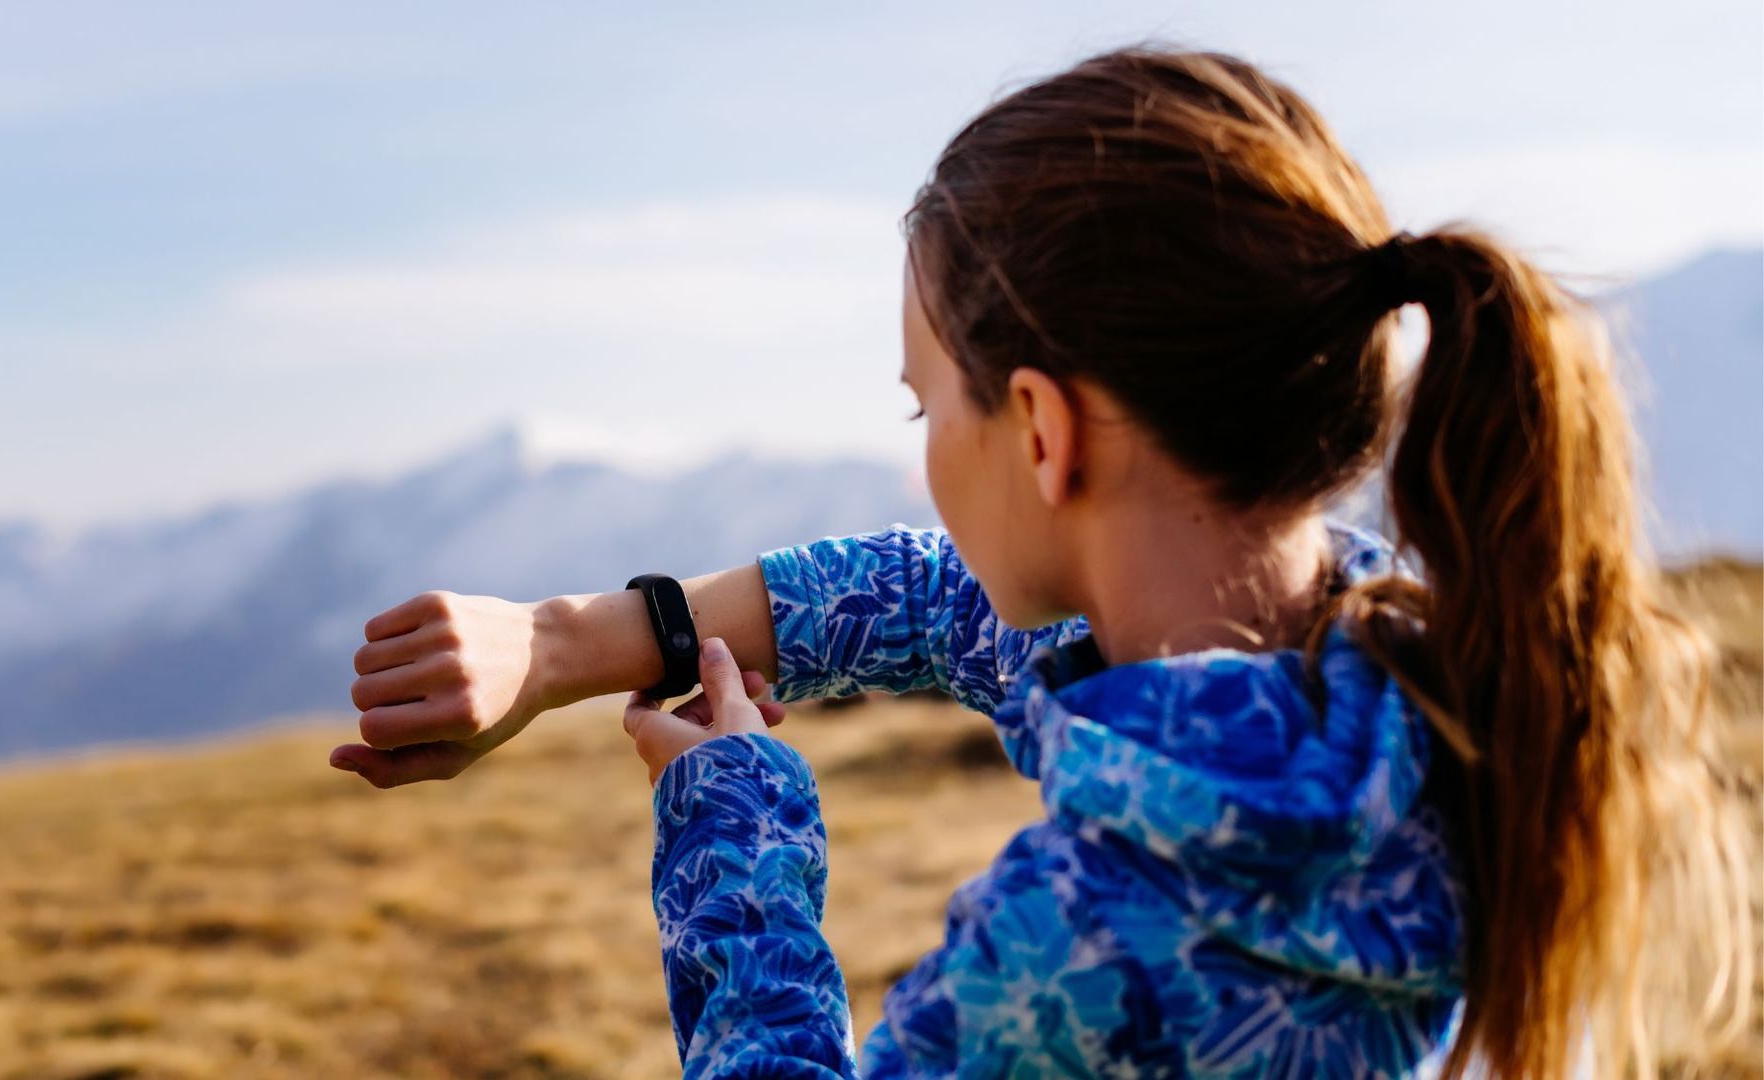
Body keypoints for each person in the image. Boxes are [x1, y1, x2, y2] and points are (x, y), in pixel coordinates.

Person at [330, 45, 1755, 1079]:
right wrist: (573, 643)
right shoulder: (1439, 690)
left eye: (923, 404)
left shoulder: (1073, 947)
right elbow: (952, 606)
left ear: (1042, 432)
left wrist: (733, 830)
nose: (919, 459)